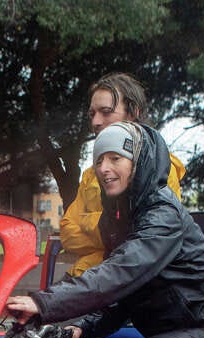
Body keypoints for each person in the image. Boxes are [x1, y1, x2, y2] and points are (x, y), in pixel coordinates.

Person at [0, 120, 204, 338]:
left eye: (115, 158)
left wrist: (43, 303)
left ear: (138, 162)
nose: (104, 169)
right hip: (175, 331)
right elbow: (124, 295)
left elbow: (120, 274)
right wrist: (85, 329)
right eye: (99, 160)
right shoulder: (118, 218)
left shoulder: (162, 214)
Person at [59, 72, 186, 278]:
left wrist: (87, 222)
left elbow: (149, 241)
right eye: (92, 114)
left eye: (106, 112)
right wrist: (112, 232)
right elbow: (67, 233)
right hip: (85, 278)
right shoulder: (92, 173)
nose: (96, 122)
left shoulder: (161, 167)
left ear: (133, 113)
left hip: (130, 284)